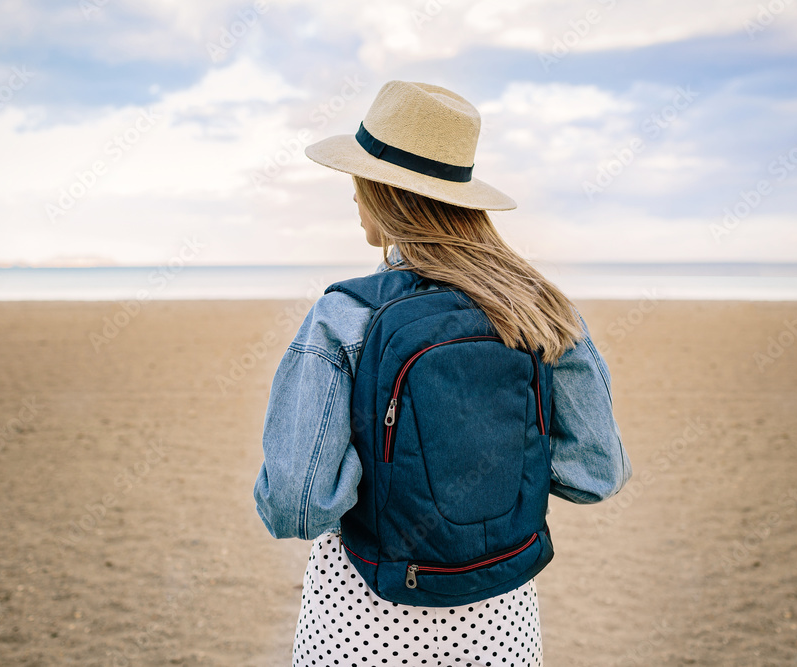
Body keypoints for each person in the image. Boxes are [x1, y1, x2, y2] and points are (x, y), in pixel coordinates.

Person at [254, 80, 631, 666]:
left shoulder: (345, 315)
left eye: (357, 184)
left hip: (361, 620)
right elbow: (595, 472)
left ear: (381, 191)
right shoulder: (537, 306)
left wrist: (390, 472)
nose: (353, 200)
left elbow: (296, 505)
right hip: (501, 622)